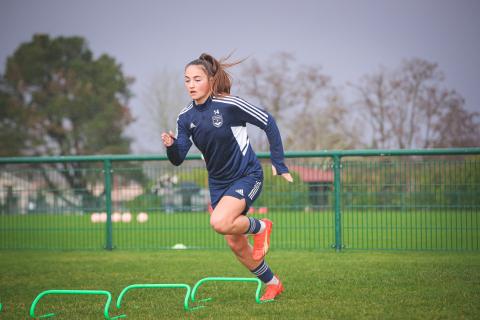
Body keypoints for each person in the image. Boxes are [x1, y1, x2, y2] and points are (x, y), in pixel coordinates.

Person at [161, 53, 293, 301]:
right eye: (187, 80)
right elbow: (178, 158)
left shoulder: (229, 105)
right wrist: (170, 146)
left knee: (219, 222)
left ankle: (262, 226)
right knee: (235, 243)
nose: (191, 84)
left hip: (247, 175)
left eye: (197, 79)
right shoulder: (185, 117)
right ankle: (274, 283)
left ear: (211, 80)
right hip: (218, 185)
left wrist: (278, 161)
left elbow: (268, 121)